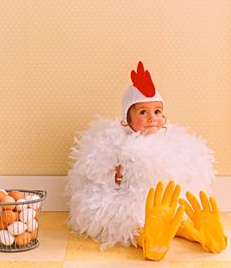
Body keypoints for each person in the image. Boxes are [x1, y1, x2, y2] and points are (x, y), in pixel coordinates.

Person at [66, 62, 227, 260]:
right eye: (143, 112)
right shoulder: (118, 144)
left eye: (157, 111)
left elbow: (187, 172)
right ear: (127, 119)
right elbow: (99, 176)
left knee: (176, 213)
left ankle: (201, 233)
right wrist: (114, 177)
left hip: (165, 202)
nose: (152, 117)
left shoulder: (174, 141)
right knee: (130, 222)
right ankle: (151, 240)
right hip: (133, 202)